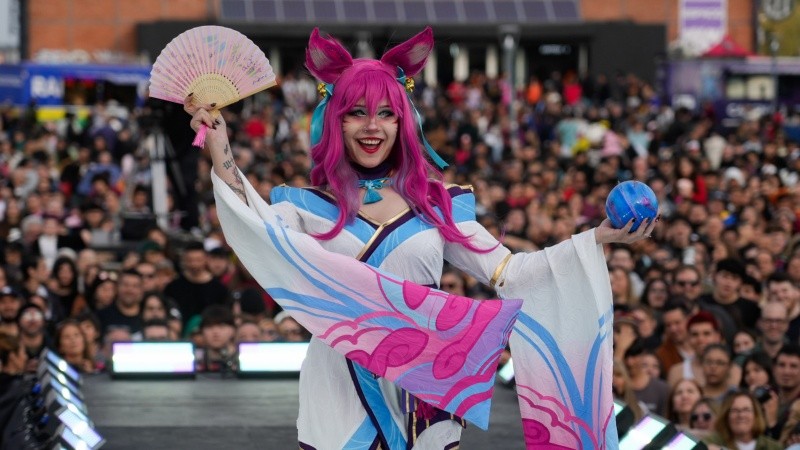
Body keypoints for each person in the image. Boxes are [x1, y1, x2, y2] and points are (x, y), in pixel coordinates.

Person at [186, 27, 656, 449]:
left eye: (387, 114)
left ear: (403, 121)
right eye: (357, 113)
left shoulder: (438, 204)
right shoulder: (305, 206)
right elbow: (253, 225)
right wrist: (219, 147)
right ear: (335, 120)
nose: (373, 126)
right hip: (339, 385)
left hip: (424, 384)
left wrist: (594, 239)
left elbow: (510, 272)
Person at [703, 390, 782, 450]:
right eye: (735, 410)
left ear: (755, 415)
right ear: (726, 415)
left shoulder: (772, 447)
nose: (741, 415)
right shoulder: (712, 442)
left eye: (746, 410)